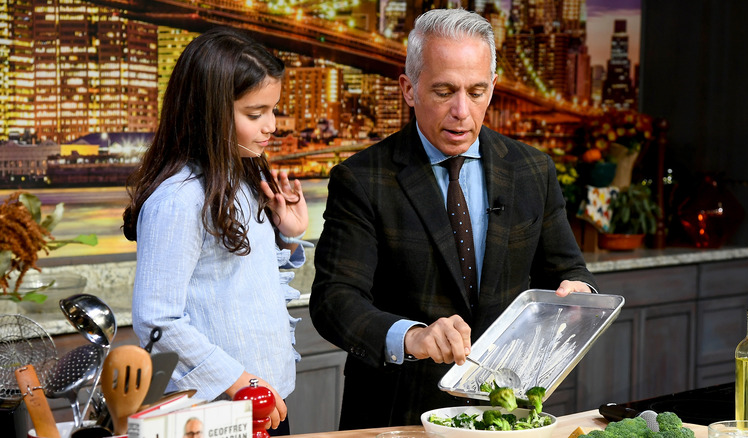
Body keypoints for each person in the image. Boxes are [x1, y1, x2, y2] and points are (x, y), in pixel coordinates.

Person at [309, 8, 598, 429]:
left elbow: (568, 269)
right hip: (396, 414)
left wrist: (579, 294)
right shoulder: (361, 179)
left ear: (493, 87)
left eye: (477, 91)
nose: (463, 110)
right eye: (444, 91)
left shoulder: (532, 169)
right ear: (409, 89)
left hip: (507, 410)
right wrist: (413, 336)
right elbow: (334, 301)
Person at [123, 26, 308, 435]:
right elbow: (156, 320)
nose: (272, 125)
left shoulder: (242, 178)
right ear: (208, 112)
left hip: (264, 397)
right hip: (217, 410)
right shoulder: (178, 199)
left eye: (273, 110)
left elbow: (244, 286)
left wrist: (288, 234)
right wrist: (243, 382)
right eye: (255, 114)